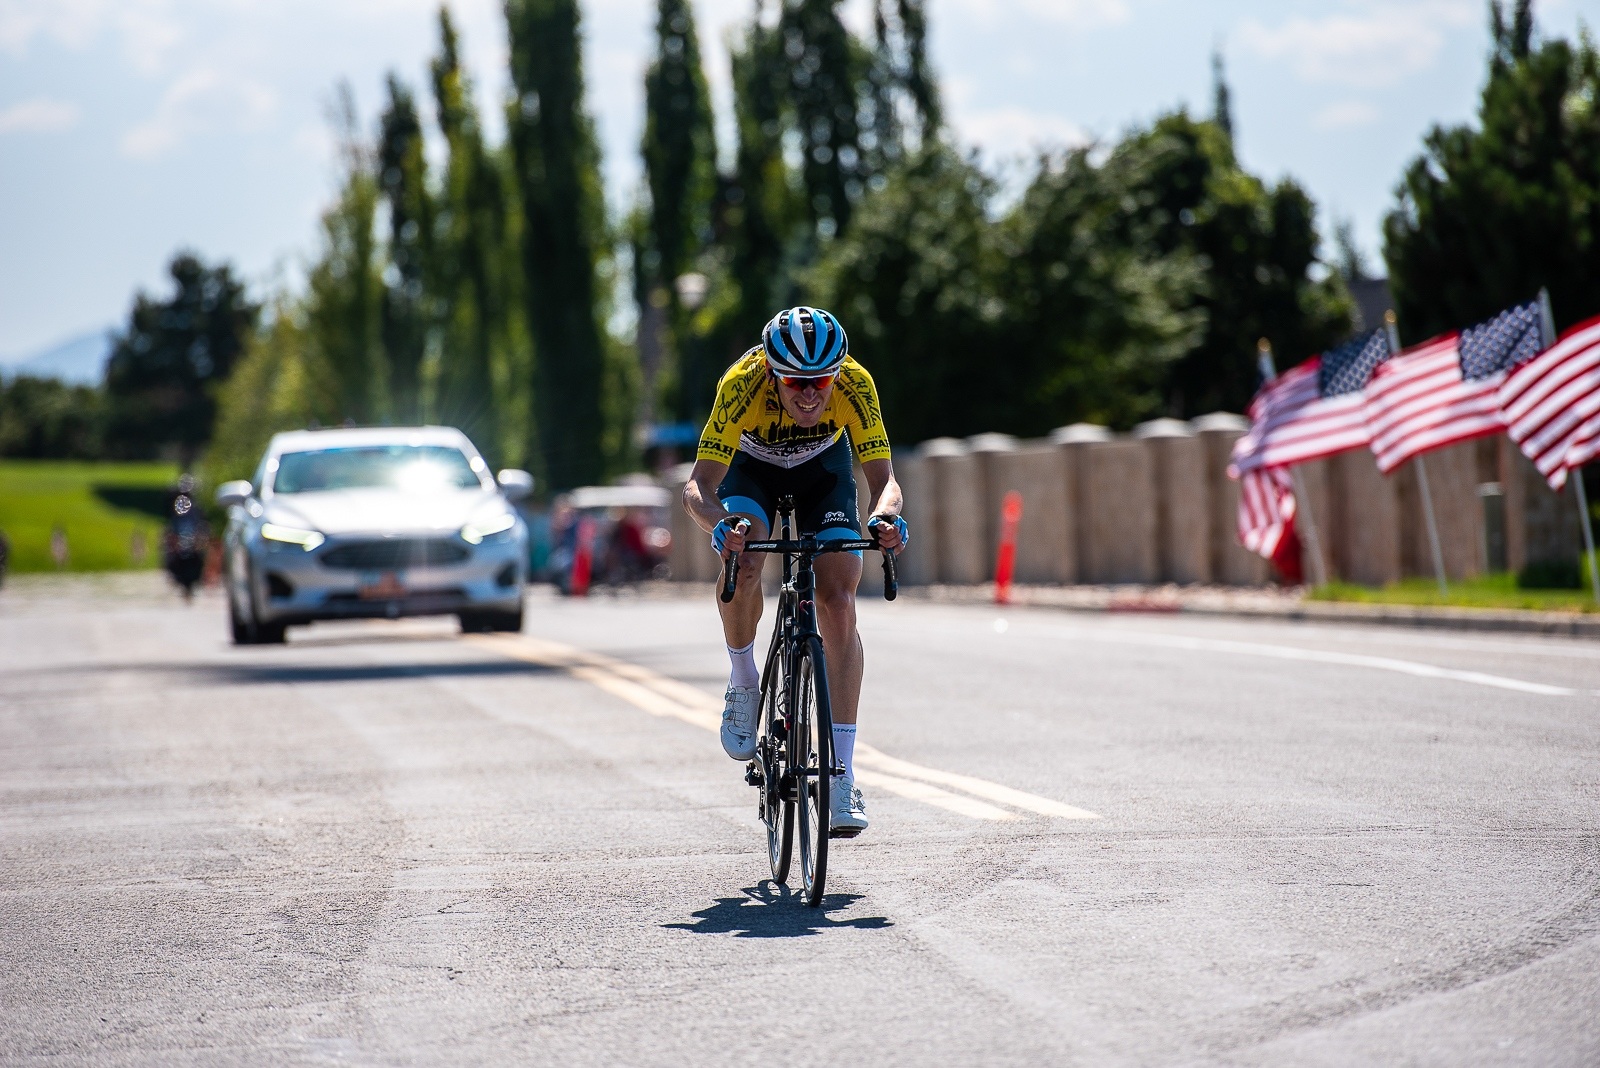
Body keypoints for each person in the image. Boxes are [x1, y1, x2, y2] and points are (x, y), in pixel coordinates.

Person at [683, 306, 908, 837]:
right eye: (797, 384)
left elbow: (886, 482)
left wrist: (886, 518)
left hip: (822, 472)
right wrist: (721, 526)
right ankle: (744, 680)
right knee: (748, 553)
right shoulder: (741, 385)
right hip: (751, 467)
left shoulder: (855, 384)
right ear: (771, 374)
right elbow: (697, 487)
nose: (811, 394)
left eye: (821, 382)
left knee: (839, 600)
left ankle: (843, 774)